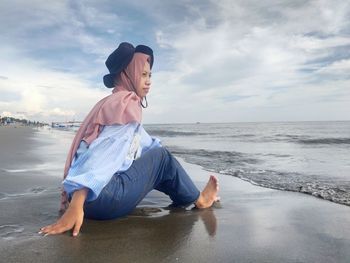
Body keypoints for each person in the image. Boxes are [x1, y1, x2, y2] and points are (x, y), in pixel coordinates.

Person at [39, 42, 220, 237]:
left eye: (150, 75)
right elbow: (101, 154)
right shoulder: (126, 104)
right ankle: (200, 200)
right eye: (143, 75)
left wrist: (75, 198)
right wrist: (77, 203)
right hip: (101, 200)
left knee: (158, 156)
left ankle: (187, 195)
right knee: (161, 158)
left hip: (90, 202)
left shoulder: (111, 103)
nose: (149, 81)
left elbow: (146, 145)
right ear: (128, 74)